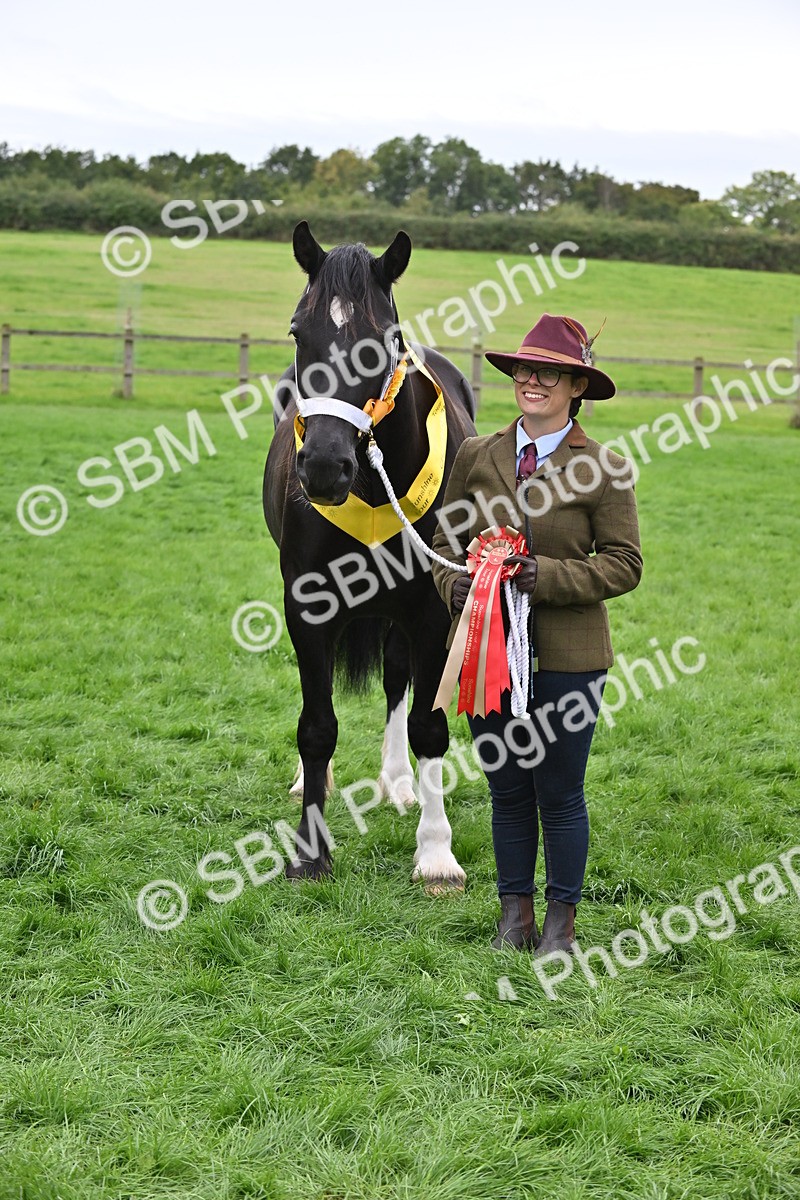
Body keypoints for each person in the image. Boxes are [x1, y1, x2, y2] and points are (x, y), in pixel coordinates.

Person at [431, 314, 643, 955]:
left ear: (576, 386)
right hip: (487, 652)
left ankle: (560, 927)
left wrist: (542, 575)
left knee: (558, 792)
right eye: (524, 368)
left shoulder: (605, 468)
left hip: (569, 658)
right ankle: (513, 916)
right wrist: (457, 585)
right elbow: (445, 541)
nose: (532, 380)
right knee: (507, 789)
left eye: (549, 371)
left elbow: (625, 564)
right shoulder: (477, 455)